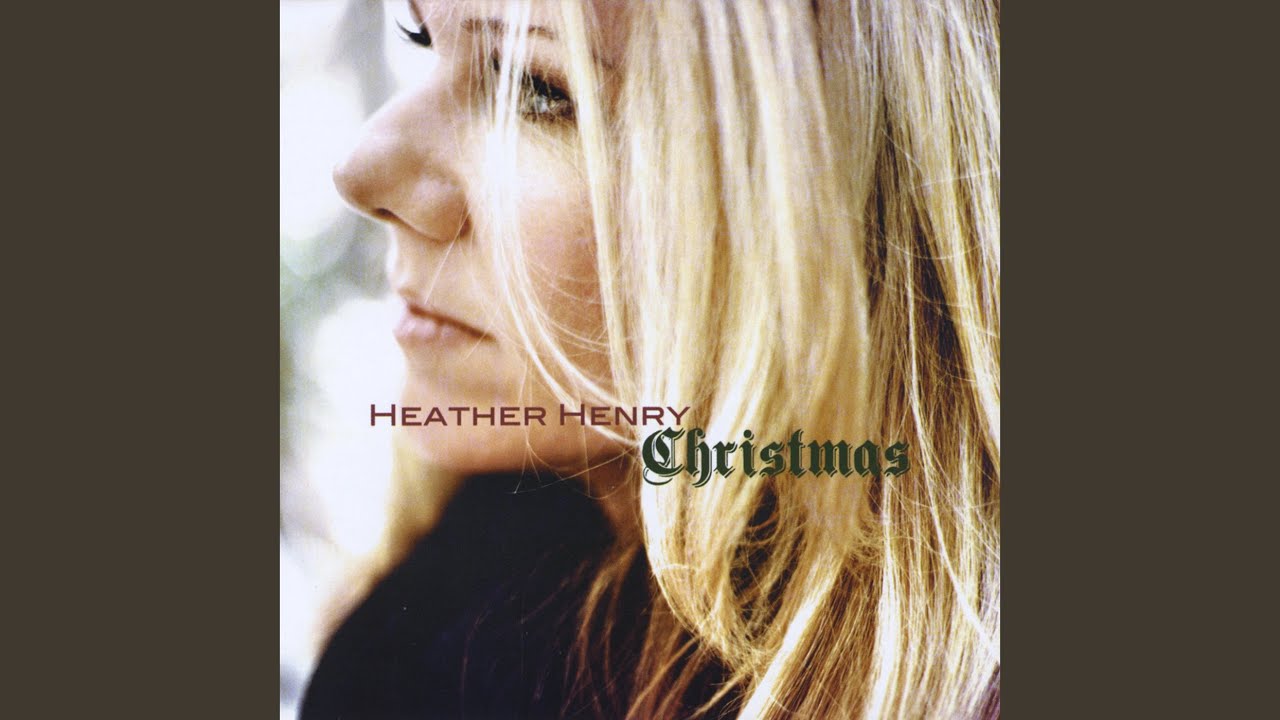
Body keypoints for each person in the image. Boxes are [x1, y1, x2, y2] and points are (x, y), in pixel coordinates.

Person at [301, 0, 1000, 718]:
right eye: (419, 38)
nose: (362, 169)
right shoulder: (448, 612)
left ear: (833, 190)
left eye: (536, 89)